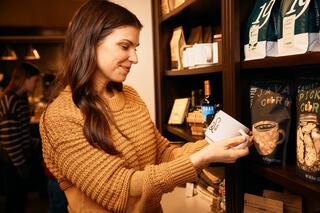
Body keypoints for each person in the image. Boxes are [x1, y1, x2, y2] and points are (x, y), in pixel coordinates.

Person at [39, 1, 251, 212]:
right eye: (125, 46)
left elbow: (164, 155)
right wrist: (204, 156)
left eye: (135, 48)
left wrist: (220, 143)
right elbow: (121, 188)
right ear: (89, 41)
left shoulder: (130, 95)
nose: (135, 58)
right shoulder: (60, 116)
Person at [0, 62, 40, 213]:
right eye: (35, 81)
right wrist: (20, 165)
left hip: (21, 157)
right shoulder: (10, 100)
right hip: (12, 160)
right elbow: (9, 137)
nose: (36, 84)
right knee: (14, 201)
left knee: (21, 199)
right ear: (26, 79)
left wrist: (35, 142)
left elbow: (22, 131)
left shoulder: (21, 99)